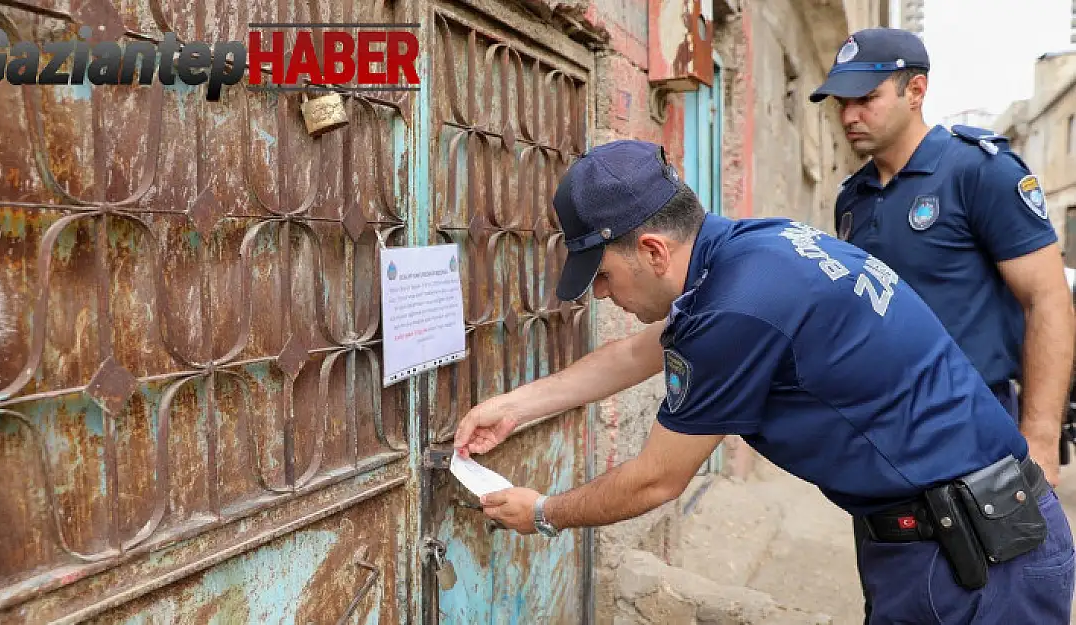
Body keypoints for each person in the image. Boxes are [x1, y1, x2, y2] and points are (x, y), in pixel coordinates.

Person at [453, 139, 1075, 624]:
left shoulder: (736, 309)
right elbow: (646, 351)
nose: (603, 295)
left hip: (978, 561)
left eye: (603, 275)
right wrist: (516, 404)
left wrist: (543, 513)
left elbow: (656, 480)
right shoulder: (753, 248)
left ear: (651, 250)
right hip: (954, 536)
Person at [808, 27, 1075, 489]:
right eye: (840, 104)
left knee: (986, 560)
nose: (849, 116)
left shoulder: (977, 171)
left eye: (865, 99)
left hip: (972, 419)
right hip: (882, 423)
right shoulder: (854, 198)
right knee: (891, 560)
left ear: (915, 91)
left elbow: (1047, 299)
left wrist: (1041, 439)